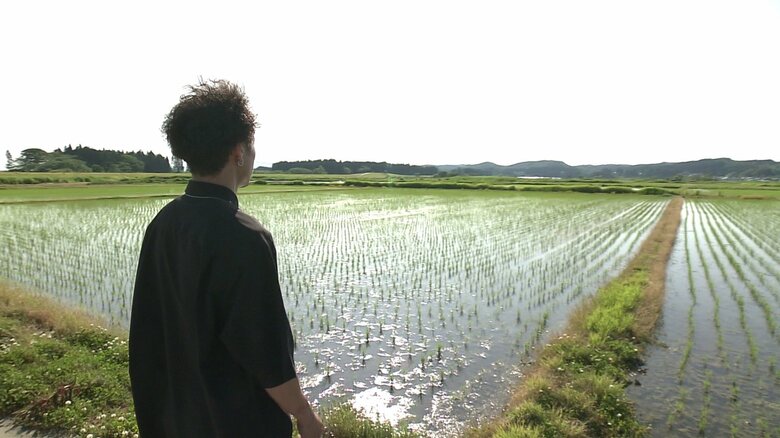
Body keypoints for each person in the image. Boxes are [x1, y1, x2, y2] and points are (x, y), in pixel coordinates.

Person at [129, 79, 323, 438]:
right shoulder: (245, 237)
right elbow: (265, 353)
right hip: (232, 423)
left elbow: (148, 330)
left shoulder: (164, 223)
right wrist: (305, 416)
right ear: (238, 151)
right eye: (251, 147)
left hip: (172, 418)